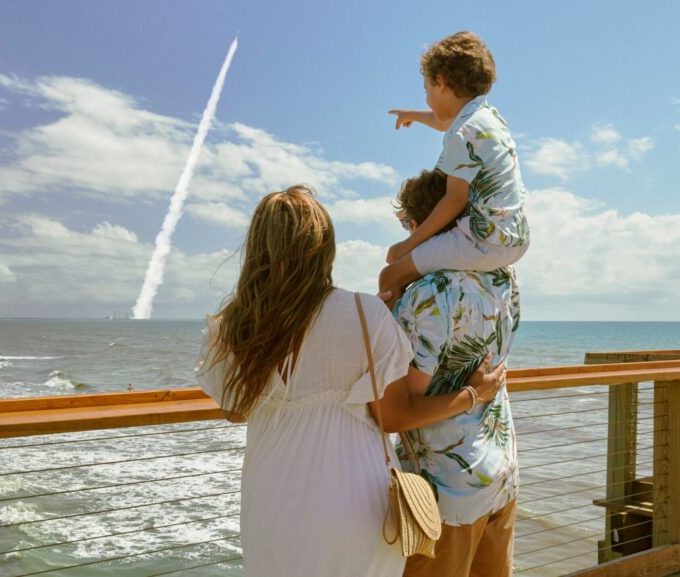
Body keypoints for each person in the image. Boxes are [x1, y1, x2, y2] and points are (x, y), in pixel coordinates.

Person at [196, 185, 506, 577]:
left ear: (258, 248)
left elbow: (234, 411)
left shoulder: (230, 326)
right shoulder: (365, 313)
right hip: (357, 501)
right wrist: (473, 394)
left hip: (271, 495)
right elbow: (393, 412)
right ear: (325, 248)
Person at [391, 169, 520, 577]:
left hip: (446, 494)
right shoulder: (504, 279)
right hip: (500, 475)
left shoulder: (426, 295)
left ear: (418, 227)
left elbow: (401, 411)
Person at [381, 31, 529, 306]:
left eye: (426, 90)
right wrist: (412, 114)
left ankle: (391, 347)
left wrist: (408, 245)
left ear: (440, 81)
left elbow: (454, 199)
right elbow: (442, 120)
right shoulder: (487, 118)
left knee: (390, 274)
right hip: (514, 237)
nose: (426, 98)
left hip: (482, 240)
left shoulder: (463, 132)